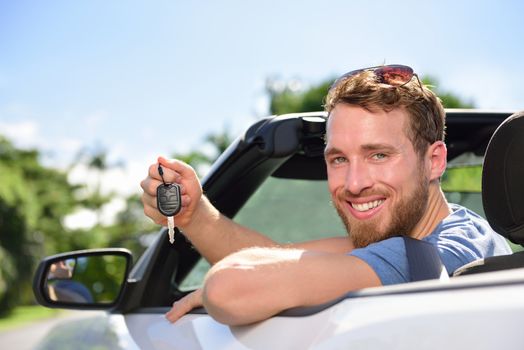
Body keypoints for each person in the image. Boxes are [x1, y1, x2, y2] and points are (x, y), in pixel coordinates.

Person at [140, 64, 511, 326]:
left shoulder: (427, 257)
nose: (353, 183)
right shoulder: (462, 228)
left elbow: (229, 287)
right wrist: (194, 215)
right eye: (338, 159)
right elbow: (284, 261)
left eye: (378, 155)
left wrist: (216, 286)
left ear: (434, 161)